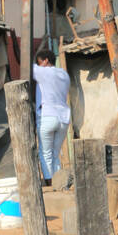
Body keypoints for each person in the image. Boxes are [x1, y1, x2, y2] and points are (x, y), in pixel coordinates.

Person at [33, 49, 71, 182]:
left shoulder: (44, 72)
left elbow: (27, 67)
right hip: (63, 118)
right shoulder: (64, 75)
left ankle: (49, 183)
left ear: (46, 61)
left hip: (47, 116)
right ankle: (58, 183)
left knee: (45, 154)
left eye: (39, 62)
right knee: (55, 154)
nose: (38, 65)